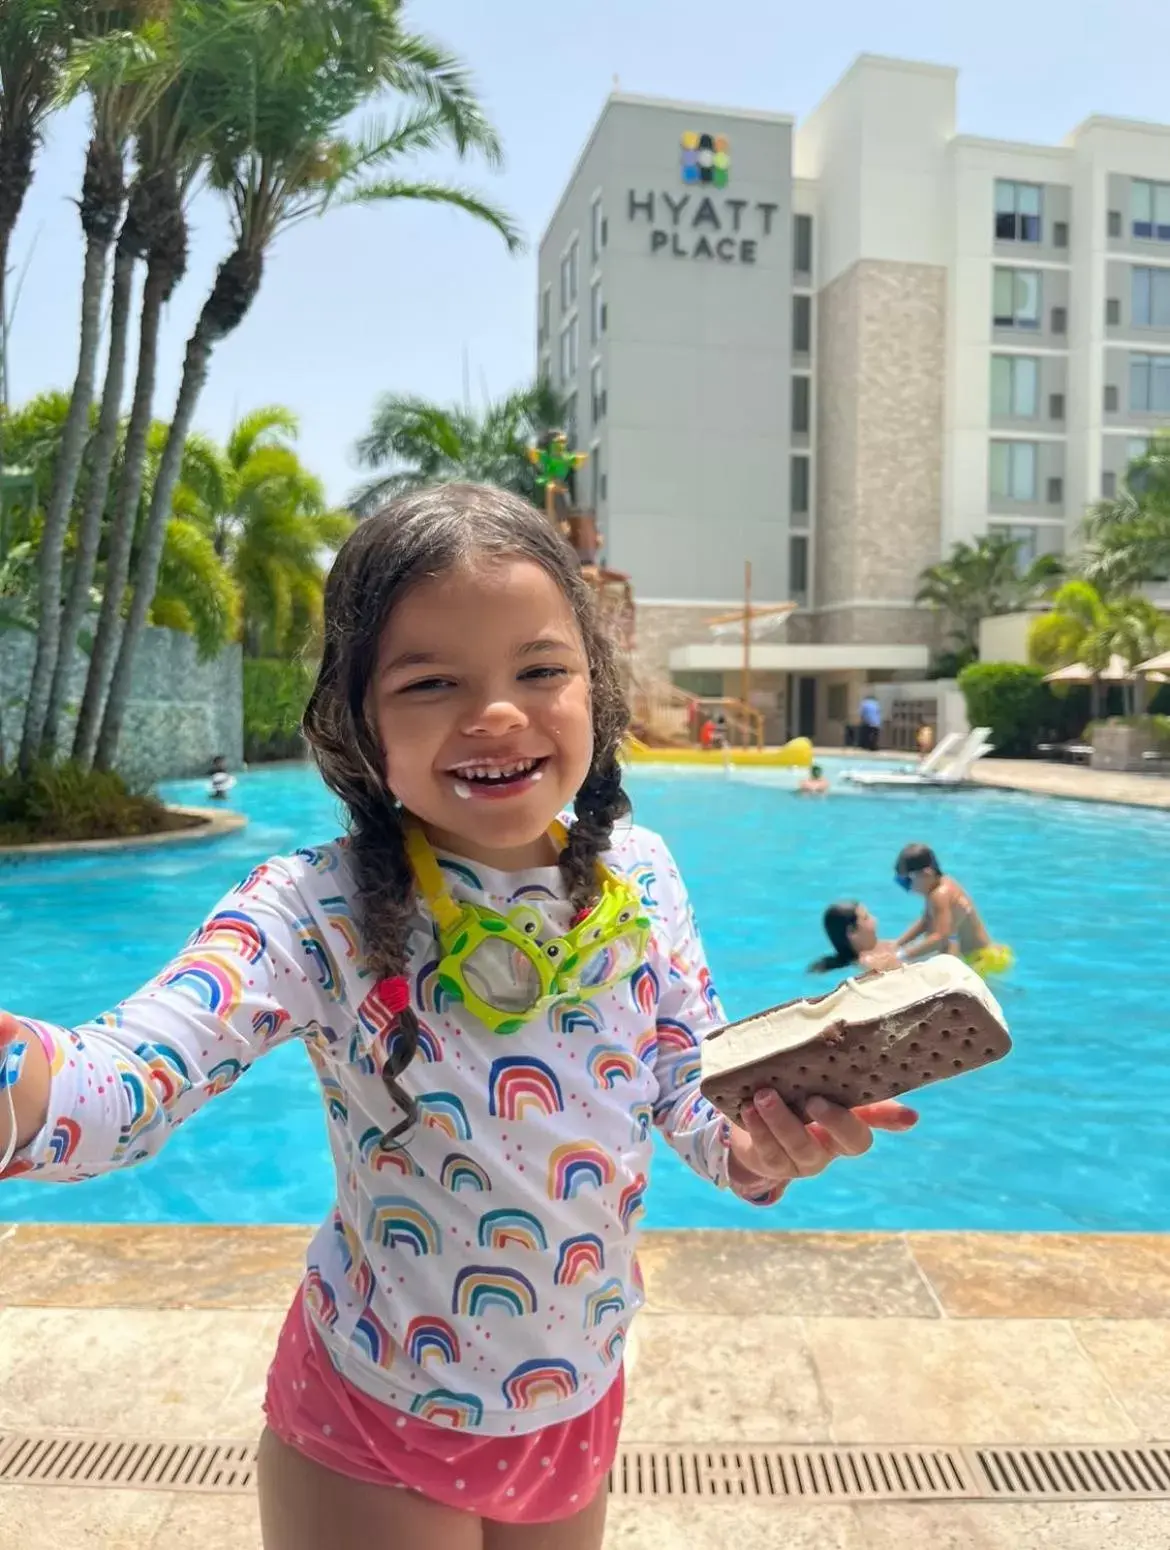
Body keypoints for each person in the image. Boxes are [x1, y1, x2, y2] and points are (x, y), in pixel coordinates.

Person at [0, 484, 918, 1550]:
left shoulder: (642, 879)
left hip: (576, 1402)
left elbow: (686, 1096)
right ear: (360, 716)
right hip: (375, 1415)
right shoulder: (316, 907)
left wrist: (764, 1142)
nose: (496, 714)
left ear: (594, 683)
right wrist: (21, 1082)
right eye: (432, 681)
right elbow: (132, 1073)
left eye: (540, 670)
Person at [892, 843, 1013, 977]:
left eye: (906, 882)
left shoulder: (940, 895)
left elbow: (940, 937)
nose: (909, 889)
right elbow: (926, 921)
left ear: (926, 874)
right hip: (987, 956)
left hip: (982, 962)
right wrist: (897, 944)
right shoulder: (940, 886)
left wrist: (902, 956)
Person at [809, 901, 899, 974]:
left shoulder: (885, 945)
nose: (874, 919)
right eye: (866, 918)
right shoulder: (870, 964)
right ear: (852, 932)